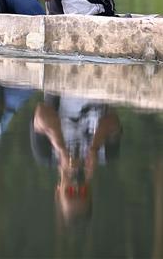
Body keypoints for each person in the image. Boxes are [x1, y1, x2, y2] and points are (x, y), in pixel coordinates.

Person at [30, 94, 123, 226]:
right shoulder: (106, 155)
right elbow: (114, 121)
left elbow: (41, 113)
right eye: (82, 192)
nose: (76, 186)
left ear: (58, 191)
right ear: (90, 191)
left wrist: (61, 148)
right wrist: (95, 147)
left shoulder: (46, 154)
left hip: (63, 84)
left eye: (71, 192)